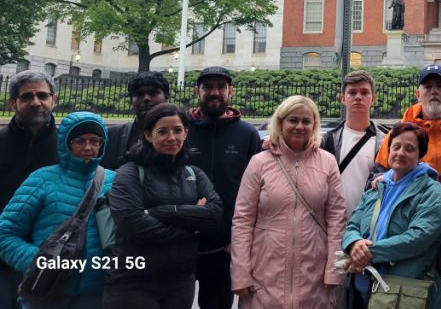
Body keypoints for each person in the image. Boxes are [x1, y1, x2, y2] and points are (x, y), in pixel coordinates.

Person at [103, 103, 222, 309]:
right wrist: (192, 225)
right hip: (133, 281)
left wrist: (163, 213)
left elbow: (214, 214)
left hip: (180, 280)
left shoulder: (194, 173)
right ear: (148, 135)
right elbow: (133, 224)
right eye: (163, 131)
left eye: (177, 130)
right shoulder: (130, 172)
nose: (171, 138)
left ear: (186, 132)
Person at [231, 96, 345, 308]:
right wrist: (240, 273)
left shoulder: (328, 162)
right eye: (293, 120)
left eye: (306, 121)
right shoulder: (259, 163)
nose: (299, 126)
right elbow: (242, 220)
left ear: (314, 125)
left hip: (314, 273)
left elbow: (337, 219)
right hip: (264, 272)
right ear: (281, 122)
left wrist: (334, 270)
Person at [0, 112, 114, 309]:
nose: (88, 147)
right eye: (79, 141)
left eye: (95, 141)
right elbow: (5, 232)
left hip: (97, 294)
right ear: (65, 143)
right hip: (47, 291)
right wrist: (36, 261)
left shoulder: (115, 180)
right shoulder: (42, 179)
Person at [343, 122, 441, 309]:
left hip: (405, 294)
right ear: (389, 149)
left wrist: (368, 253)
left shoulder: (431, 191)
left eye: (409, 149)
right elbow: (352, 225)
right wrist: (353, 244)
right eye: (396, 146)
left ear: (420, 155)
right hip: (363, 288)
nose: (401, 153)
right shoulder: (376, 187)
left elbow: (419, 237)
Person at [186, 67, 262, 309]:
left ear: (231, 92)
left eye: (220, 87)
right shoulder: (181, 129)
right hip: (181, 240)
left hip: (226, 245)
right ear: (197, 91)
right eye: (208, 87)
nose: (214, 92)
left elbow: (258, 190)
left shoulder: (248, 134)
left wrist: (241, 240)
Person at [321, 70, 390, 307]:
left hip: (371, 237)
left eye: (364, 92)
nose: (358, 97)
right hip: (333, 234)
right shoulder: (326, 140)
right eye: (352, 92)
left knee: (368, 299)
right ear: (342, 98)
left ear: (373, 98)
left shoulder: (387, 140)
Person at [0, 70, 59, 309]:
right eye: (27, 97)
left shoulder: (69, 146)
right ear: (12, 103)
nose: (36, 102)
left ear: (54, 100)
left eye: (43, 95)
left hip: (51, 253)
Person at [374, 65, 441, 191]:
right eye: (428, 86)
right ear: (418, 94)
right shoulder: (399, 133)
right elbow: (377, 176)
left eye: (440, 86)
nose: (434, 91)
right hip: (413, 210)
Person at [101, 71, 169, 170]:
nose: (146, 98)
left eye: (153, 93)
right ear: (131, 100)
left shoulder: (182, 136)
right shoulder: (111, 137)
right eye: (139, 94)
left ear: (166, 96)